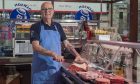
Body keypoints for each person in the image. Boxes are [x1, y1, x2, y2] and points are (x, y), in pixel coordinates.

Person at [30, 2, 84, 84]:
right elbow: (35, 46)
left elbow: (67, 44)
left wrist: (77, 55)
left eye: (49, 9)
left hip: (55, 70)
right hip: (41, 72)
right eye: (44, 9)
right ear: (40, 11)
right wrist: (53, 54)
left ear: (53, 11)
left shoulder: (58, 26)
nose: (47, 11)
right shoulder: (35, 26)